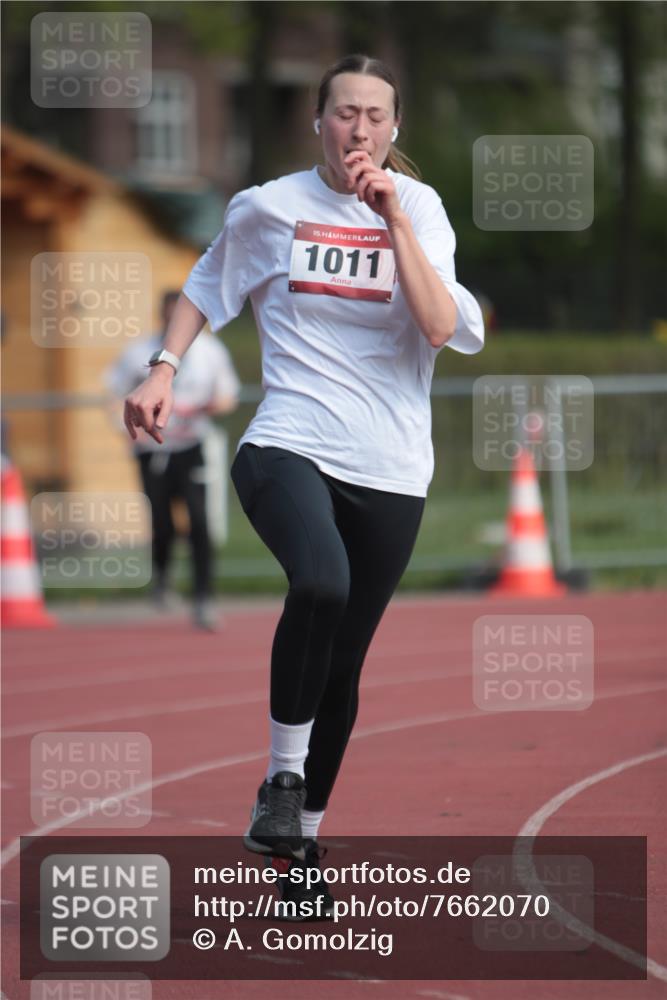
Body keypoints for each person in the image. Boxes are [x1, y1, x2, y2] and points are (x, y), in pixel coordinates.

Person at [123, 54, 484, 917]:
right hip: (288, 442)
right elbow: (205, 286)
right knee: (319, 581)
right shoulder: (267, 208)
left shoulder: (421, 209)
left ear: (395, 130)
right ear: (316, 122)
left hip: (391, 467)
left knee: (346, 664)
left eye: (374, 116)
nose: (358, 129)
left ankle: (299, 844)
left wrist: (390, 216)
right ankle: (282, 780)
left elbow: (439, 324)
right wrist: (164, 367)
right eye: (343, 113)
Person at [106, 290, 241, 630]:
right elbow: (114, 392)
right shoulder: (138, 352)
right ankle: (163, 581)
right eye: (170, 317)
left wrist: (199, 408)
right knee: (162, 521)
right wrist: (126, 429)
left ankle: (204, 596)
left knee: (200, 521)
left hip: (190, 445)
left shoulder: (211, 352)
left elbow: (228, 397)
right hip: (152, 451)